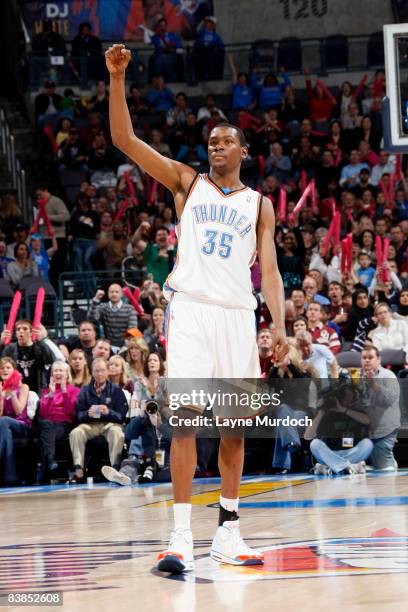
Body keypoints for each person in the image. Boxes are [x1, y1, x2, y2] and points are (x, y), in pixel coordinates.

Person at [106, 43, 289, 573]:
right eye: (211, 141)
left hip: (237, 314)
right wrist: (118, 79)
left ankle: (228, 530)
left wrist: (277, 322)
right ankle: (181, 535)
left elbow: (270, 272)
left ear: (244, 152)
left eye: (226, 141)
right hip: (189, 310)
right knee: (184, 422)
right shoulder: (187, 182)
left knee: (235, 428)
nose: (216, 146)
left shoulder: (260, 205)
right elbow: (125, 139)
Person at [68, 357, 128, 483]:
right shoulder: (85, 390)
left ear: (107, 372)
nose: (99, 374)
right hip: (91, 425)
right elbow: (78, 415)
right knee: (76, 432)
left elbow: (122, 416)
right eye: (96, 371)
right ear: (92, 372)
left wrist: (108, 412)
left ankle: (115, 470)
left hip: (111, 424)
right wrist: (87, 414)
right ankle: (79, 470)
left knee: (117, 432)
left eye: (102, 370)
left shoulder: (116, 390)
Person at [305, 384, 372, 476]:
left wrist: (343, 410)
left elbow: (367, 420)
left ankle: (331, 467)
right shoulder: (327, 414)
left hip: (351, 452)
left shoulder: (357, 412)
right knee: (314, 444)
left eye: (350, 397)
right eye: (344, 397)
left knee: (367, 443)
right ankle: (351, 467)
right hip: (330, 453)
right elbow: (307, 436)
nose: (347, 400)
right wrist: (321, 412)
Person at [360, 345, 400, 470]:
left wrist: (374, 384)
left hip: (385, 429)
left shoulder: (388, 376)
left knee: (383, 468)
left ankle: (390, 461)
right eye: (364, 358)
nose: (366, 360)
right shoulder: (358, 377)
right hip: (364, 429)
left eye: (370, 357)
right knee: (363, 464)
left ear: (378, 360)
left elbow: (390, 399)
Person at [38, 361, 80, 481]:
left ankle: (48, 464)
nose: (58, 373)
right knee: (46, 424)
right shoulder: (46, 391)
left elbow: (70, 411)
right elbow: (44, 414)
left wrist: (64, 391)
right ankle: (50, 460)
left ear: (67, 374)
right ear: (51, 375)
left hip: (64, 424)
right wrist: (51, 394)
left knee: (45, 433)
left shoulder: (74, 390)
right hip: (48, 424)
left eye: (61, 370)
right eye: (55, 371)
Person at [0, 320, 55, 394]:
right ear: (16, 334)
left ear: (31, 332)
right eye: (18, 329)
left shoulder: (39, 347)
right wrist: (1, 343)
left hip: (38, 390)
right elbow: (1, 367)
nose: (21, 331)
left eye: (25, 329)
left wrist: (41, 341)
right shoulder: (10, 348)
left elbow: (50, 360)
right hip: (16, 391)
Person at [0, 357, 31, 486]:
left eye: (8, 367)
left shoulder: (23, 387)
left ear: (14, 371)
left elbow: (19, 411)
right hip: (4, 427)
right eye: (2, 368)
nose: (5, 370)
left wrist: (12, 392)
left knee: (4, 421)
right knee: (4, 430)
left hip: (21, 425)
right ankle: (10, 477)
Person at [88, 283, 138, 351]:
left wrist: (125, 347)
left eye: (117, 292)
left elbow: (132, 329)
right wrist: (96, 299)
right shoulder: (103, 307)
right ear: (108, 294)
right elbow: (91, 318)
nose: (114, 294)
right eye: (111, 292)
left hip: (126, 346)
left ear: (121, 294)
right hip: (108, 346)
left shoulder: (130, 309)